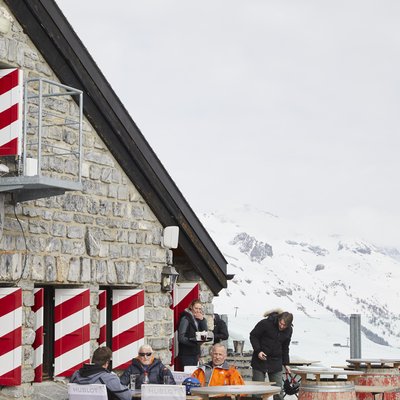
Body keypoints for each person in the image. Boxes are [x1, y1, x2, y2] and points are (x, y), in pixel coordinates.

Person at [249, 309, 293, 400]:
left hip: (276, 361)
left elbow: (285, 347)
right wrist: (258, 351)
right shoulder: (265, 323)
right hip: (260, 359)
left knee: (278, 391)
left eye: (284, 325)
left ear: (288, 325)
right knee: (257, 391)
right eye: (281, 323)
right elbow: (253, 335)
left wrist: (286, 364)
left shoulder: (289, 330)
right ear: (279, 319)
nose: (281, 326)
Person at [178, 299, 208, 368]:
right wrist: (194, 342)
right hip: (186, 354)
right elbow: (181, 338)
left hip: (195, 353)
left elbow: (204, 333)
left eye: (199, 309)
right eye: (196, 308)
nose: (197, 311)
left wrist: (202, 320)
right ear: (191, 307)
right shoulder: (185, 318)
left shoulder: (198, 318)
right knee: (189, 375)